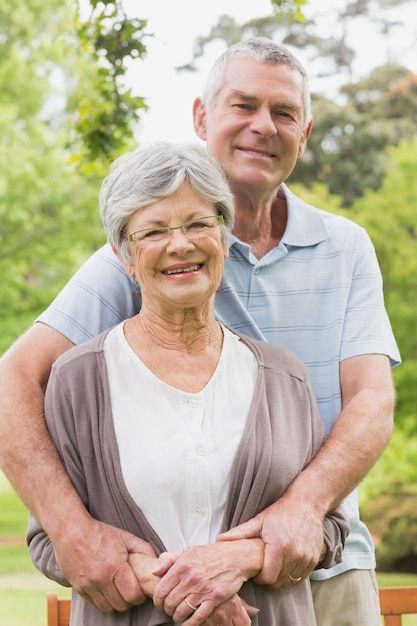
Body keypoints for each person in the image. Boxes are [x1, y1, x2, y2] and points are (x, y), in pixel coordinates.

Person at [0, 37, 399, 625]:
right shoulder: (143, 252)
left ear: (305, 133)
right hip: (167, 587)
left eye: (284, 112)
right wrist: (73, 532)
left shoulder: (345, 247)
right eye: (244, 105)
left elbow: (371, 399)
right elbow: (15, 378)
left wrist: (303, 508)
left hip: (323, 563)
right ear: (202, 117)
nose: (263, 126)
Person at [26, 140, 349, 626]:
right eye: (153, 231)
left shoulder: (285, 378)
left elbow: (330, 530)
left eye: (198, 223)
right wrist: (186, 588)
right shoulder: (78, 381)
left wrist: (238, 561)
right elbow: (51, 540)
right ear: (125, 255)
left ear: (222, 237)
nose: (180, 244)